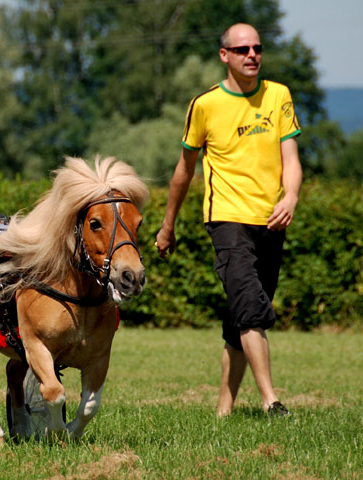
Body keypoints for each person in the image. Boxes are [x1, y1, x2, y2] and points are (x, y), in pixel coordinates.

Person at [155, 23, 302, 417]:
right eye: (242, 50)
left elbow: (291, 158)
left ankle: (223, 411)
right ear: (224, 55)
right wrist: (167, 226)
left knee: (241, 315)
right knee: (251, 308)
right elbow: (183, 171)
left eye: (257, 48)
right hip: (226, 219)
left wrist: (290, 196)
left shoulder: (279, 95)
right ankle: (271, 400)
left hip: (271, 220)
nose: (252, 55)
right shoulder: (205, 105)